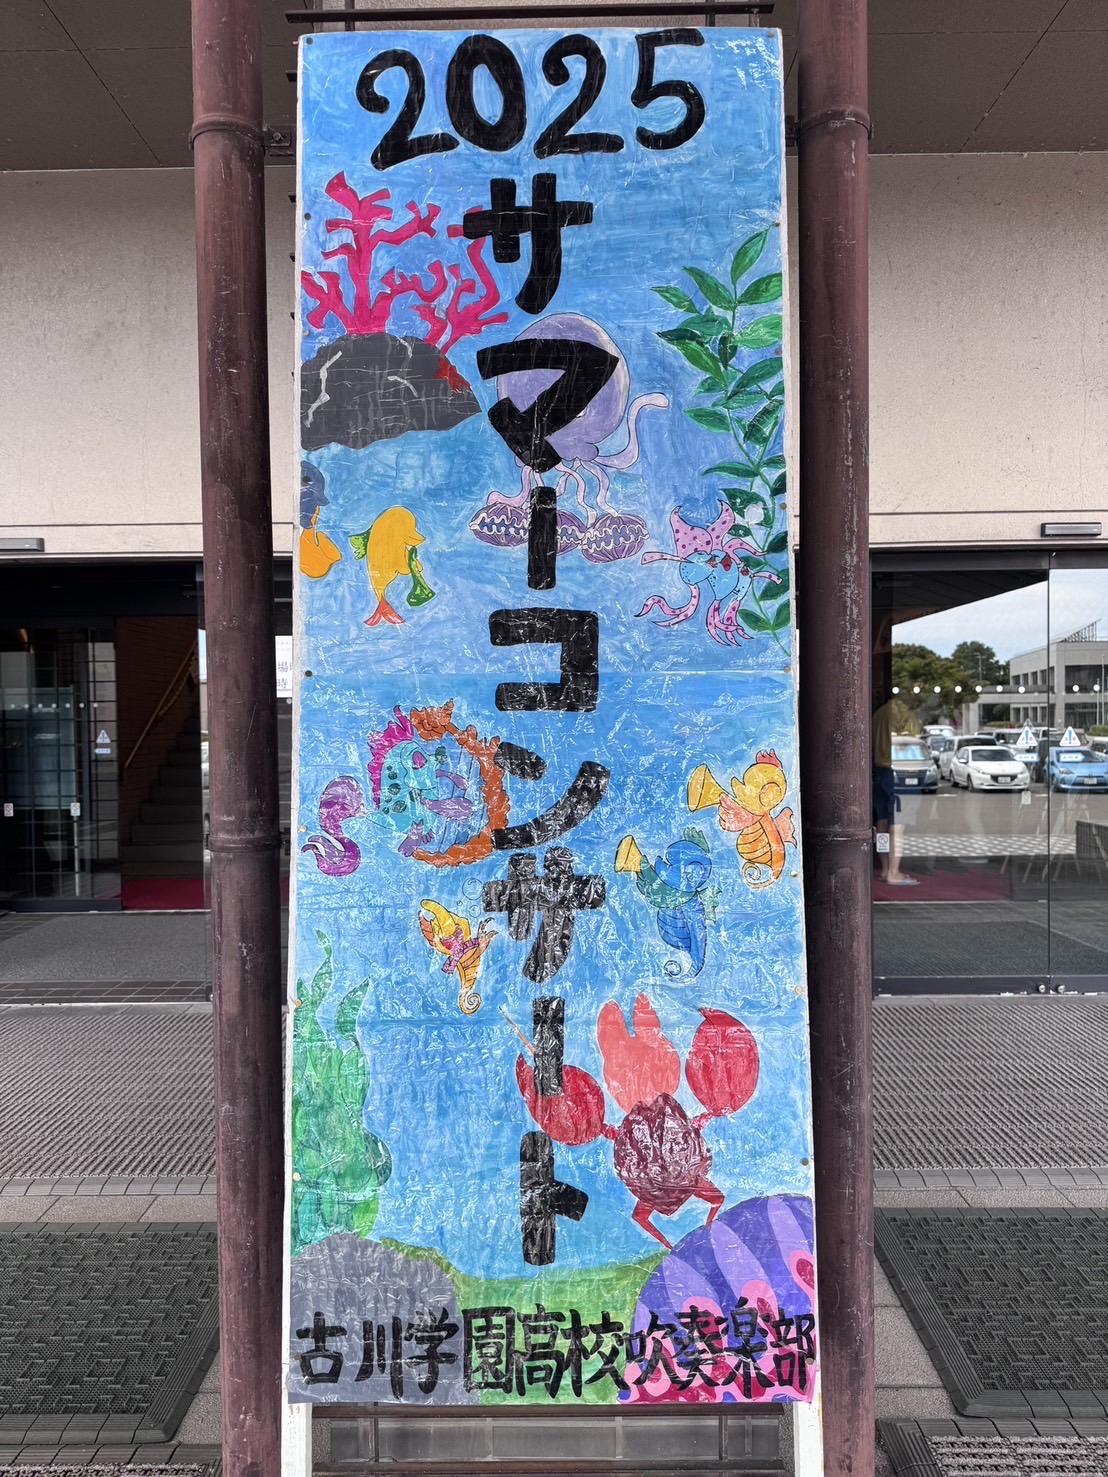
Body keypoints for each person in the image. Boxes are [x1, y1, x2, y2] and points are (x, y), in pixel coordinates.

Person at [872, 696, 920, 885]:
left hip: (879, 771)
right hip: (899, 771)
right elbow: (911, 743)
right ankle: (894, 872)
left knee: (882, 822)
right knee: (898, 824)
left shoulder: (877, 714)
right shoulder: (904, 715)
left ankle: (885, 869)